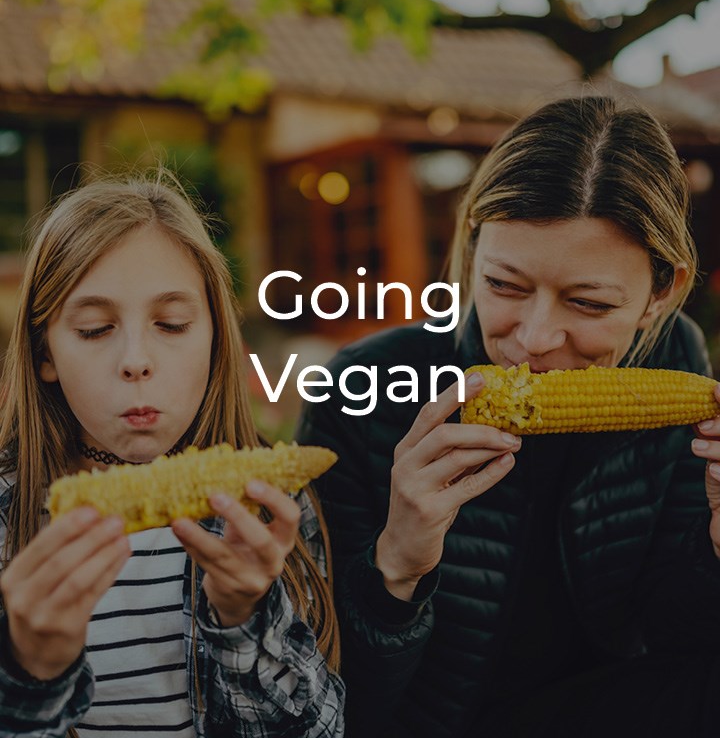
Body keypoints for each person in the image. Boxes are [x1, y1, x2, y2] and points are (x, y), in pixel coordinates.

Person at [297, 96, 720, 738]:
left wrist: (716, 548)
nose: (535, 338)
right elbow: (329, 703)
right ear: (473, 246)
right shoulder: (359, 392)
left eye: (587, 302)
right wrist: (397, 564)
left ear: (660, 293)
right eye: (505, 286)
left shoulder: (681, 356)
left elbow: (675, 641)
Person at [0, 172, 345, 737]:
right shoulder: (7, 510)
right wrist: (30, 669)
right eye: (93, 329)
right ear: (46, 354)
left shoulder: (268, 508)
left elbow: (319, 729)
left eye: (172, 324)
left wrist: (245, 619)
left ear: (214, 337)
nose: (137, 360)